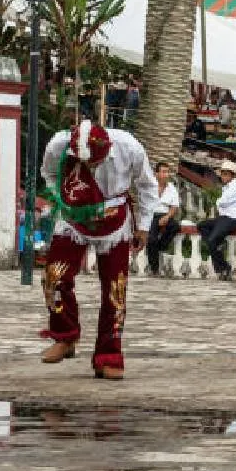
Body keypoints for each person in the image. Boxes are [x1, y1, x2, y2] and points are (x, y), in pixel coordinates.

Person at [38, 119, 159, 380]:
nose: (89, 167)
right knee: (53, 276)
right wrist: (62, 197)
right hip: (73, 216)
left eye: (95, 162)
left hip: (114, 220)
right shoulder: (58, 145)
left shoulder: (130, 147)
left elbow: (147, 185)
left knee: (115, 288)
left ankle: (108, 354)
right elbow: (48, 174)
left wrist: (144, 226)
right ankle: (65, 336)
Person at [196, 160, 236, 280]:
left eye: (226, 174)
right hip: (224, 218)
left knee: (212, 239)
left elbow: (221, 202)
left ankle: (224, 268)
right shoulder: (227, 187)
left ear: (233, 175)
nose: (223, 176)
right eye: (222, 173)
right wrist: (220, 203)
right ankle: (218, 248)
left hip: (232, 219)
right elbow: (221, 204)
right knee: (201, 226)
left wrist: (219, 202)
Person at [146, 161, 181, 276]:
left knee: (175, 226)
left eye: (167, 172)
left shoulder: (172, 188)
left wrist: (167, 217)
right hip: (151, 215)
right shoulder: (149, 186)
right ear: (156, 174)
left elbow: (174, 206)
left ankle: (161, 246)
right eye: (163, 172)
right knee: (151, 239)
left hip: (165, 214)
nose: (166, 175)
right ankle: (154, 269)